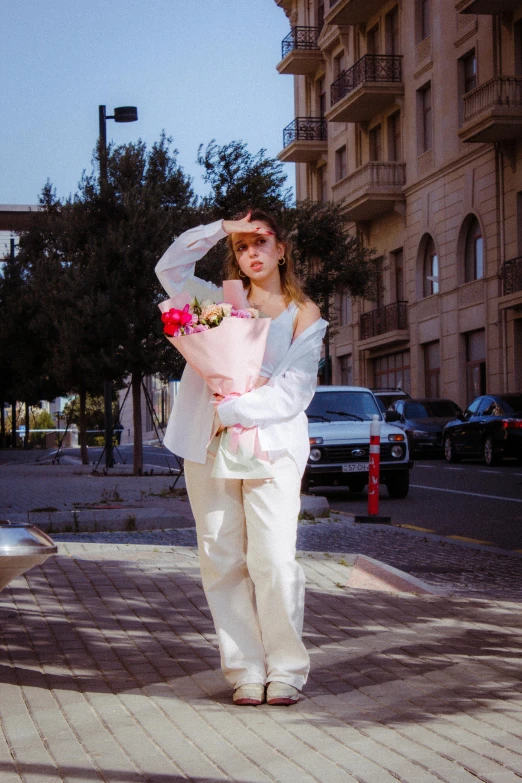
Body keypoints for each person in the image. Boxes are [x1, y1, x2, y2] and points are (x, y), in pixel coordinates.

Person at [155, 209, 327, 706]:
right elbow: (169, 272)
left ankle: (288, 670)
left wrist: (236, 407)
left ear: (281, 249)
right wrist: (219, 230)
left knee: (272, 559)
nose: (251, 253)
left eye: (260, 242)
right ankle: (245, 669)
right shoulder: (218, 302)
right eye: (242, 246)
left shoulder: (304, 314)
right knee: (221, 558)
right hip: (207, 443)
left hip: (272, 446)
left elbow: (295, 390)